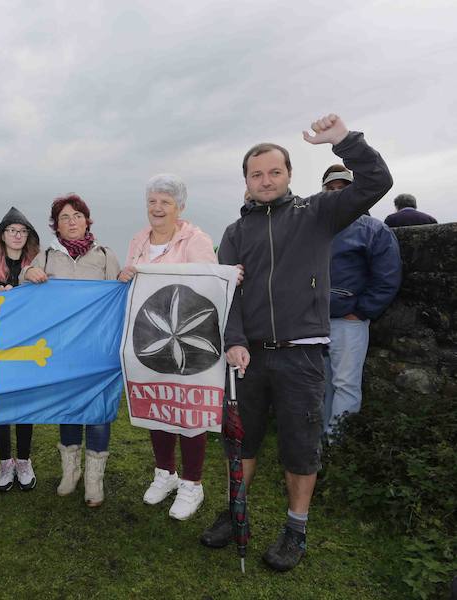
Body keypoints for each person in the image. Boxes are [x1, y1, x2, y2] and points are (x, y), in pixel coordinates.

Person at [204, 115, 393, 572]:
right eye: (256, 174)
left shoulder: (317, 213)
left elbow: (376, 181)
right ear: (246, 181)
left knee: (300, 447)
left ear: (289, 174)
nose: (266, 180)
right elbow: (227, 296)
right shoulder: (234, 233)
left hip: (303, 353)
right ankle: (235, 510)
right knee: (240, 443)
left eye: (274, 171)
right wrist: (234, 340)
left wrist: (344, 141)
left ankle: (296, 529)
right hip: (248, 358)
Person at [117, 174, 218, 521]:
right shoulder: (138, 240)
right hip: (151, 336)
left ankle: (192, 483)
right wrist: (126, 276)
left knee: (188, 410)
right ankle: (165, 472)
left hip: (188, 338)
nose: (157, 208)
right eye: (152, 201)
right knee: (157, 404)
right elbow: (132, 286)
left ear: (179, 207)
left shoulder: (196, 240)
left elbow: (207, 285)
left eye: (165, 202)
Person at [21, 194, 122, 507]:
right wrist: (27, 274)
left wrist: (125, 278)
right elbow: (24, 295)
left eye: (77, 215)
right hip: (62, 349)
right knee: (68, 408)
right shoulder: (46, 256)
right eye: (64, 217)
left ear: (87, 220)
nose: (72, 221)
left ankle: (94, 479)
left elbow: (118, 297)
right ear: (56, 225)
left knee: (98, 410)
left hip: (98, 348)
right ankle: (71, 472)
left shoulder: (105, 255)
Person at [319, 166, 401, 437]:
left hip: (348, 321)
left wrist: (361, 312)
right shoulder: (314, 228)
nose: (336, 193)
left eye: (343, 188)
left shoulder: (374, 229)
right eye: (331, 188)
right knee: (319, 385)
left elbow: (387, 277)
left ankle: (338, 445)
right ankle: (318, 445)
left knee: (346, 385)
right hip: (313, 321)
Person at [0, 207, 42, 492]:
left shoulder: (37, 267)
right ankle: (5, 461)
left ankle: (24, 460)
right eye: (12, 230)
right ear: (2, 235)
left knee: (24, 403)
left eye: (22, 231)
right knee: (0, 403)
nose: (17, 235)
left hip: (26, 345)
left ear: (28, 236)